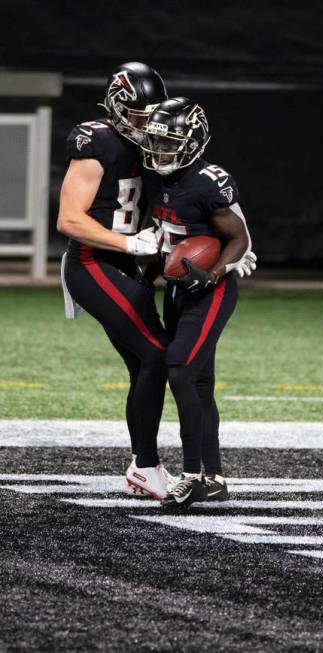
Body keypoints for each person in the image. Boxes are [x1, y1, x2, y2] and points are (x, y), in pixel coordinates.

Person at [57, 61, 174, 499]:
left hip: (124, 263)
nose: (147, 126)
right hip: (92, 262)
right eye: (140, 116)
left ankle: (145, 464)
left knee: (145, 362)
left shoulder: (153, 143)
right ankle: (145, 465)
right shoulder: (97, 141)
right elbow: (69, 219)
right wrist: (129, 246)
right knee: (158, 354)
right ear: (118, 106)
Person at [140, 97, 252, 509]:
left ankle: (190, 474)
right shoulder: (155, 178)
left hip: (210, 289)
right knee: (199, 383)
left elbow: (238, 237)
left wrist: (215, 272)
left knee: (181, 369)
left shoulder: (207, 182)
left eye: (170, 143)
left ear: (194, 141)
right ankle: (215, 477)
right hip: (176, 289)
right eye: (156, 142)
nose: (160, 151)